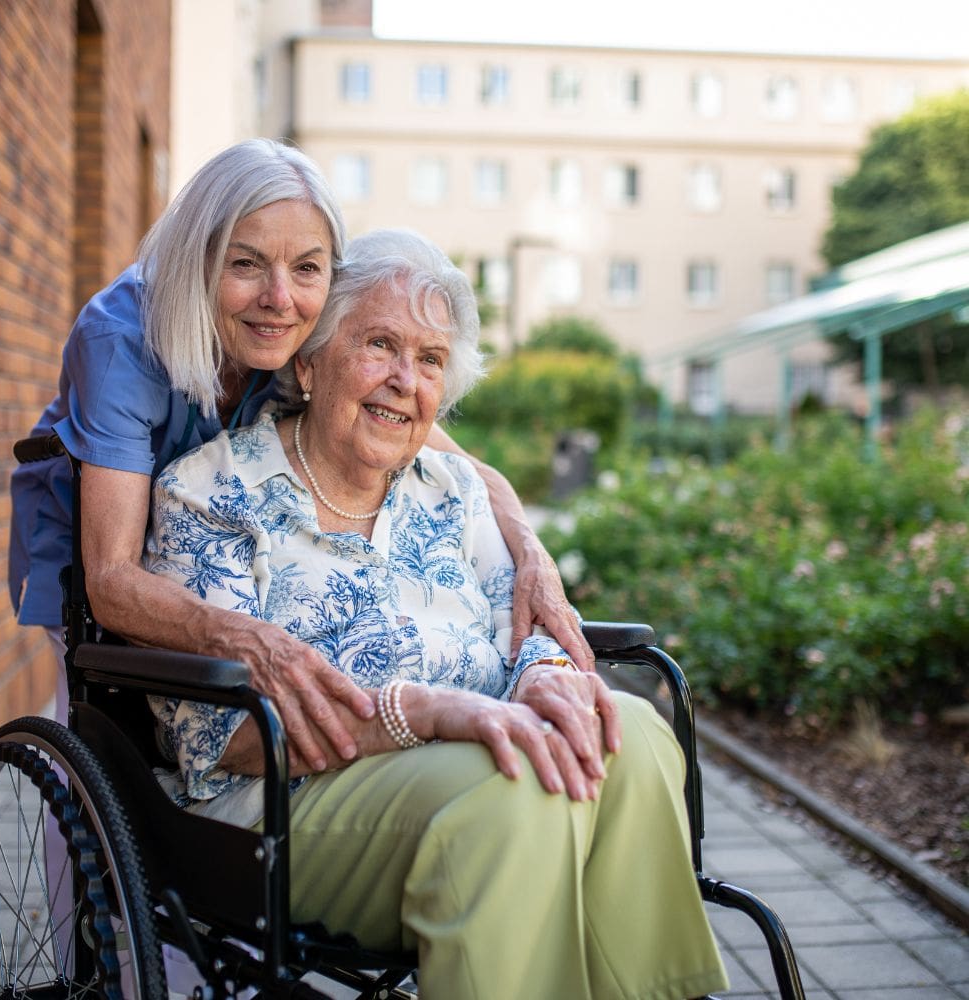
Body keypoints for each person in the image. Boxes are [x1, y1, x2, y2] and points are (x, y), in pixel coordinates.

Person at [144, 229, 729, 1000]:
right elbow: (226, 738)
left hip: (471, 759)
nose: (404, 380)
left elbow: (515, 624)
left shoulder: (452, 490)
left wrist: (549, 671)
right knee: (520, 785)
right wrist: (420, 711)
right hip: (284, 808)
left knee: (632, 733)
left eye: (429, 361)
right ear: (310, 362)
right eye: (381, 344)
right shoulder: (210, 494)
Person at [8, 137, 591, 769]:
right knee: (97, 732)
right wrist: (257, 640)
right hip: (95, 537)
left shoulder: (301, 329)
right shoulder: (122, 342)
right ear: (199, 260)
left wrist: (533, 555)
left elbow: (458, 461)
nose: (280, 298)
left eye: (307, 268)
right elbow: (113, 580)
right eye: (247, 264)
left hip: (204, 526)